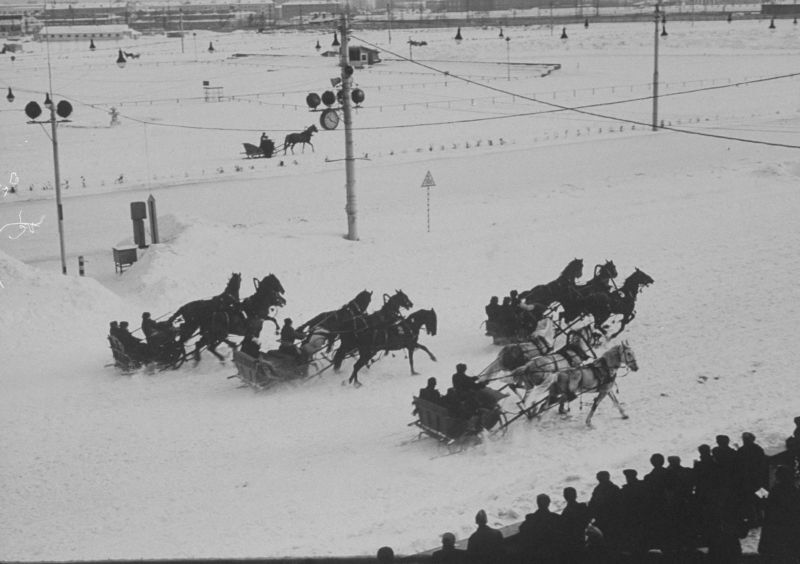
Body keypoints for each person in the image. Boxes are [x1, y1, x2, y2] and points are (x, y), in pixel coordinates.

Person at [758, 464, 800, 561]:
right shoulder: (795, 491)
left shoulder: (775, 490)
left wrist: (763, 500)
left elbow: (770, 508)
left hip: (776, 526)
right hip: (790, 526)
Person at [517, 493, 564, 564]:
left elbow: (522, 529)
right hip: (554, 554)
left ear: (537, 503)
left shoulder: (531, 518)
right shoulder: (556, 518)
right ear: (549, 503)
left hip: (537, 555)